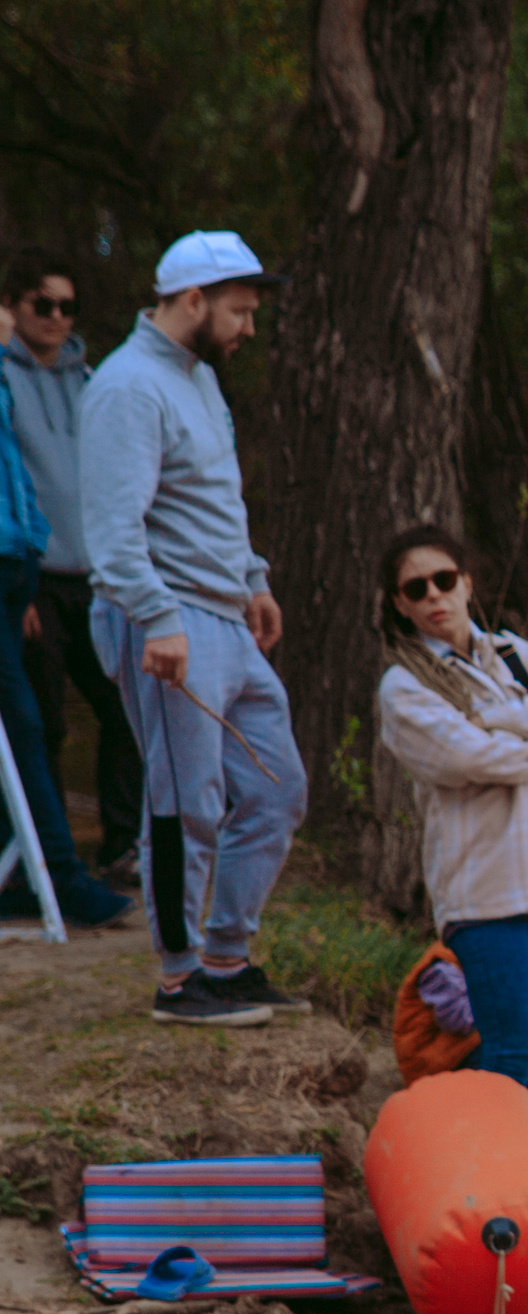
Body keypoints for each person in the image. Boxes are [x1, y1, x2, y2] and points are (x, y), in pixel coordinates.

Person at [83, 230, 306, 1026]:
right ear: (192, 301)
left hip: (224, 617)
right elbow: (112, 532)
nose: (249, 328)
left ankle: (227, 957)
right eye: (240, 312)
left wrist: (253, 578)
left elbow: (213, 498)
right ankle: (179, 982)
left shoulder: (199, 379)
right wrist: (158, 618)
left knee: (277, 789)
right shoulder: (127, 387)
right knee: (187, 801)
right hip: (165, 621)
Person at [374, 527, 528, 1116]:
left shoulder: (514, 655)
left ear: (467, 583)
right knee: (509, 1053)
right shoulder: (405, 685)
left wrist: (498, 717)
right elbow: (464, 757)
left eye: (444, 580)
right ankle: (484, 1191)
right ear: (400, 603)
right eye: (415, 589)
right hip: (485, 890)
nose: (433, 597)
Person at [5, 249, 141, 885]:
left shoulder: (92, 383)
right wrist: (16, 589)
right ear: (17, 306)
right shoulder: (3, 380)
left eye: (68, 306)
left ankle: (121, 846)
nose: (57, 317)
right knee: (46, 721)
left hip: (98, 577)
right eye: (43, 304)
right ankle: (51, 861)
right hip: (35, 577)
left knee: (122, 709)